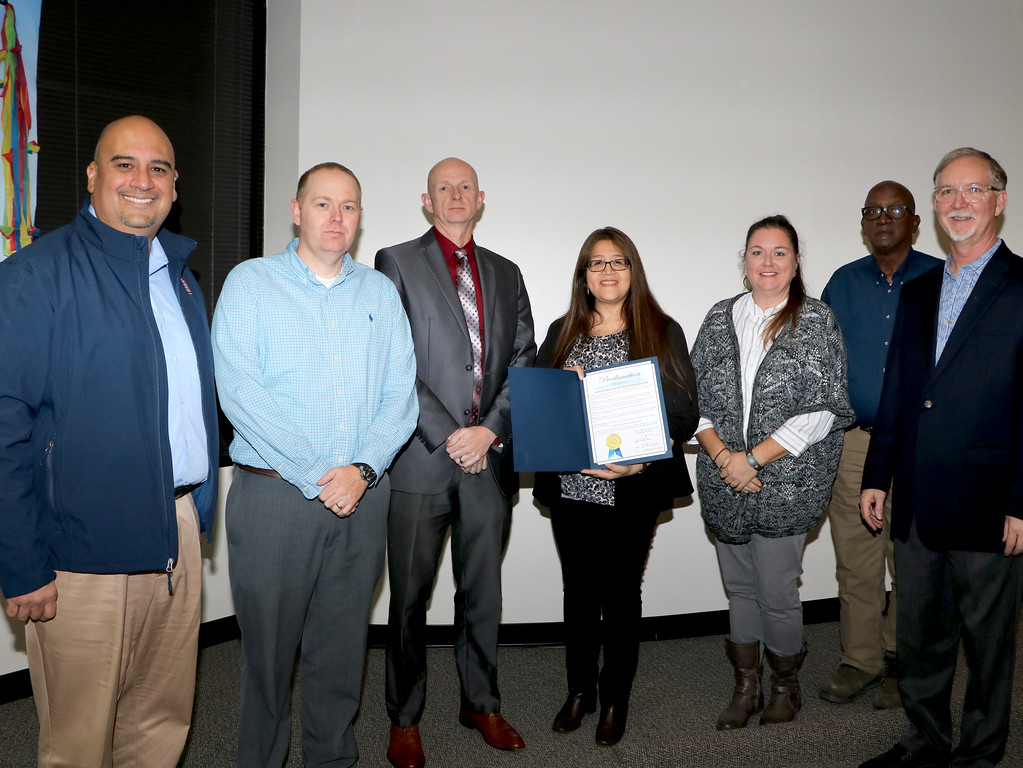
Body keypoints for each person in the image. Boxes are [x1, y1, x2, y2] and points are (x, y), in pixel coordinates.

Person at [0, 115, 219, 767]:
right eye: (124, 164)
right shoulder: (34, 277)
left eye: (159, 168)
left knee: (159, 722)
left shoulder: (182, 282)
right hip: (79, 550)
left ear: (175, 187)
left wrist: (197, 515)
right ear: (93, 176)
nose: (142, 180)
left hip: (173, 530)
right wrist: (22, 564)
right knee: (80, 739)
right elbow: (5, 431)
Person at [212, 162, 417, 768]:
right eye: (323, 204)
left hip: (363, 497)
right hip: (276, 499)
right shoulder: (250, 284)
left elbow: (401, 394)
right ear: (297, 211)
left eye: (349, 206)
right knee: (267, 663)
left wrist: (364, 469)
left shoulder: (380, 292)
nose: (337, 217)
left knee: (341, 653)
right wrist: (318, 476)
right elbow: (240, 393)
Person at [859, 148, 1023, 768]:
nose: (958, 203)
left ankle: (981, 754)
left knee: (988, 645)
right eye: (947, 192)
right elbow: (901, 391)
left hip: (990, 503)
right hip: (918, 502)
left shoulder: (1021, 286)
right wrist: (877, 476)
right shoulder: (920, 289)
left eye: (973, 190)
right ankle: (925, 740)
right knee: (921, 637)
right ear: (934, 205)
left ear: (998, 201)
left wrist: (1022, 501)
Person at [375, 157, 535, 768]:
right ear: (426, 200)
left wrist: (489, 431)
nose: (455, 195)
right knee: (410, 598)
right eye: (444, 187)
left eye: (465, 186)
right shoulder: (396, 262)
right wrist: (452, 435)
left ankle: (481, 702)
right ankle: (405, 716)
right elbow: (393, 361)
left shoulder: (505, 271)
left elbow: (524, 356)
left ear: (481, 197)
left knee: (483, 593)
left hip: (489, 463)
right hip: (422, 460)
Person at [532, 227, 698, 746]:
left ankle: (613, 699)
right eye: (597, 263)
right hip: (572, 488)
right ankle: (578, 690)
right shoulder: (561, 332)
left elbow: (684, 413)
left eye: (619, 262)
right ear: (583, 276)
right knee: (578, 593)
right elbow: (539, 409)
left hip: (633, 488)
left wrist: (640, 461)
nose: (608, 272)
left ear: (633, 272)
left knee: (622, 595)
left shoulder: (662, 330)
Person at [690, 214, 853, 729]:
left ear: (796, 261)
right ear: (744, 259)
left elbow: (824, 410)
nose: (767, 261)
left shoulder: (817, 320)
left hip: (787, 482)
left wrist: (753, 459)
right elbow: (692, 400)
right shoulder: (719, 318)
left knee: (777, 590)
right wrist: (723, 458)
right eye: (757, 251)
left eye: (779, 252)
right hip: (724, 478)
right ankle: (746, 687)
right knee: (739, 589)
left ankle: (786, 687)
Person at [819, 183, 940, 709]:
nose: (882, 218)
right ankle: (861, 659)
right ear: (863, 223)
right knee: (856, 559)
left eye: (894, 210)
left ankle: (902, 660)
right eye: (873, 211)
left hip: (919, 445)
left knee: (909, 559)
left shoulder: (943, 278)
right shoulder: (841, 285)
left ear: (915, 222)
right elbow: (817, 362)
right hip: (854, 446)